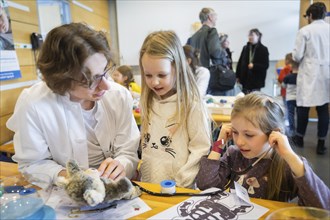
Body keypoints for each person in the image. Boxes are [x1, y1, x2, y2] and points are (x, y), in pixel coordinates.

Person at [6, 23, 140, 184]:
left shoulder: (118, 96)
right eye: (92, 79)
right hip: (65, 192)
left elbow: (128, 152)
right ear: (61, 78)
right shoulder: (34, 104)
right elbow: (32, 164)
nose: (106, 85)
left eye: (104, 72)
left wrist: (122, 165)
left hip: (117, 187)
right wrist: (70, 177)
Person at [196, 92, 330, 209]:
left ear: (274, 134)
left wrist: (291, 157)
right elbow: (205, 184)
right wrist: (219, 143)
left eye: (249, 135)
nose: (239, 142)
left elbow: (322, 206)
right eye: (235, 132)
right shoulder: (234, 154)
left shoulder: (287, 165)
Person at [138, 30, 211, 188]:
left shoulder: (192, 104)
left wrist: (181, 183)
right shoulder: (147, 101)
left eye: (162, 75)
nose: (155, 82)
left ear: (178, 69)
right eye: (148, 75)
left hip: (179, 189)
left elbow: (200, 149)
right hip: (149, 186)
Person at [292, 2, 329, 155]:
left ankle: (299, 138)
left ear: (311, 15)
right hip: (327, 73)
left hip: (309, 72)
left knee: (303, 107)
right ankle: (321, 143)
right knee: (323, 109)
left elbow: (297, 55)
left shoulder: (305, 31)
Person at [236, 28, 269, 94]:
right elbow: (240, 62)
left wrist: (254, 66)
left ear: (258, 36)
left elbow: (265, 65)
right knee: (245, 100)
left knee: (254, 101)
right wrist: (237, 76)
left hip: (256, 80)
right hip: (245, 80)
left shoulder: (263, 49)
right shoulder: (245, 48)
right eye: (249, 35)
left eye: (252, 35)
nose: (250, 37)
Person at [282, 54, 298, 137]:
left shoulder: (288, 77)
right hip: (299, 99)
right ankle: (298, 131)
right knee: (298, 114)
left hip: (289, 99)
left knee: (290, 114)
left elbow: (283, 86)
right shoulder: (301, 77)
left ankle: (292, 129)